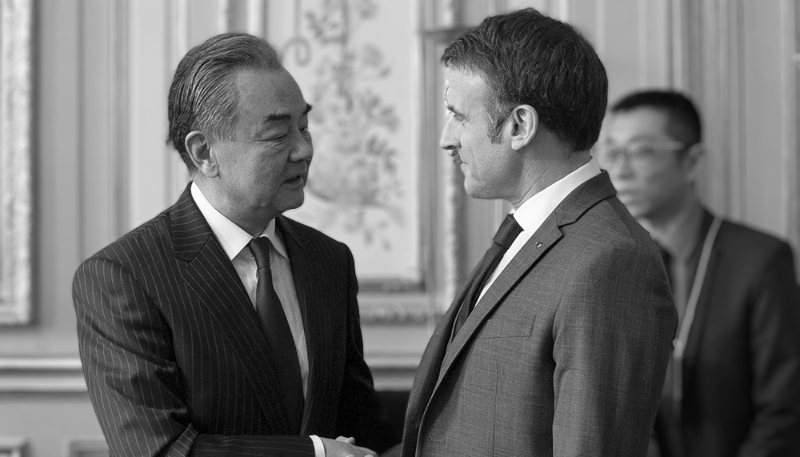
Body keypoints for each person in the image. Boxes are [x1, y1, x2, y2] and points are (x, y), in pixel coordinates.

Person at [72, 33, 383, 457]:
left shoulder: (329, 260)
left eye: (305, 127)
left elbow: (358, 423)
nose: (304, 150)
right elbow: (156, 449)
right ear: (203, 152)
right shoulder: (123, 277)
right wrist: (315, 454)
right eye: (277, 136)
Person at [401, 8, 677, 457]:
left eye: (459, 115)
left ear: (520, 126)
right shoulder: (528, 230)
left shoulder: (611, 260)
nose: (446, 139)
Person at [599, 89, 800, 457]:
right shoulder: (606, 264)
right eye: (612, 151)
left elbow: (784, 410)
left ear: (692, 162)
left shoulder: (760, 259)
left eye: (641, 150)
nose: (620, 170)